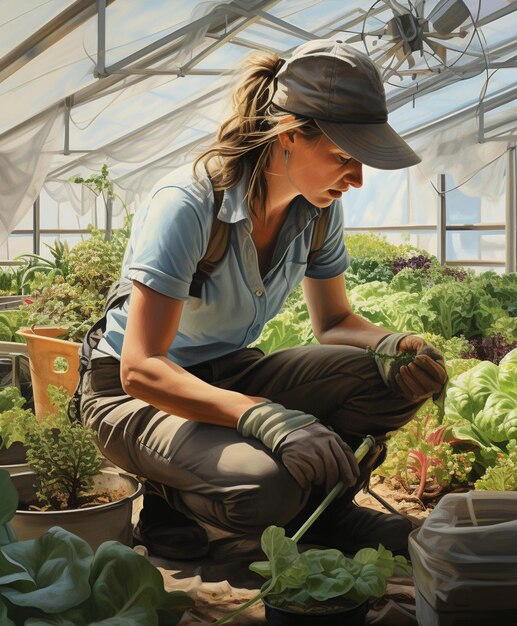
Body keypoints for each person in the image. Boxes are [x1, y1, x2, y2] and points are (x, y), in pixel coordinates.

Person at [79, 39, 448, 563]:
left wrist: (394, 344)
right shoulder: (187, 204)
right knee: (268, 488)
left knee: (385, 380)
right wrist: (263, 417)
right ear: (290, 136)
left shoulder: (317, 210)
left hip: (228, 372)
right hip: (131, 393)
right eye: (344, 156)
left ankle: (328, 511)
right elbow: (142, 368)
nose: (358, 179)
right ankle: (171, 499)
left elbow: (335, 321)